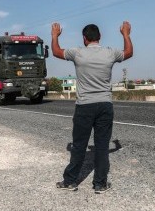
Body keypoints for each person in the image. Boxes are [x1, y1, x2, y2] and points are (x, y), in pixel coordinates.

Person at [51, 21, 133, 194]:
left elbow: (56, 52)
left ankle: (71, 181)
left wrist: (55, 36)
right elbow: (129, 52)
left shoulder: (77, 53)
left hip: (84, 106)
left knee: (79, 145)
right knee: (102, 146)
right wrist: (125, 34)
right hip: (105, 105)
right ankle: (100, 184)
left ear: (84, 39)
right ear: (99, 37)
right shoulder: (110, 53)